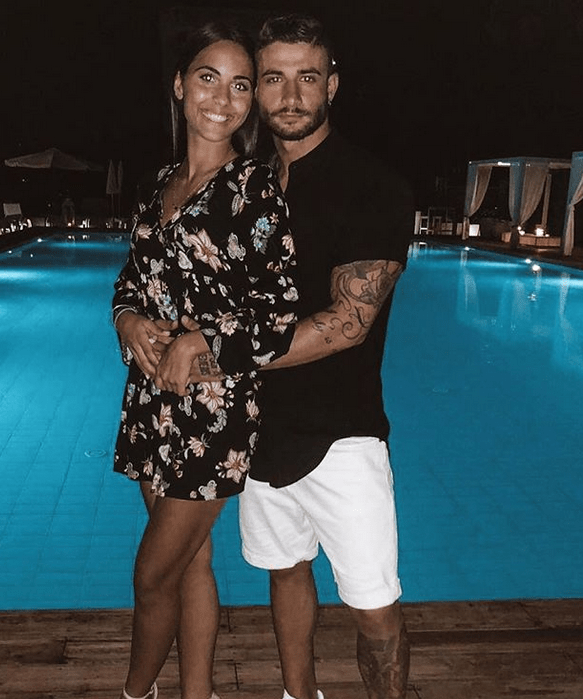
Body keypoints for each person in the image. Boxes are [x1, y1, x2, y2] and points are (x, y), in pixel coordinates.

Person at [184, 13, 415, 699]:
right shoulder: (244, 185)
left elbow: (347, 323)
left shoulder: (373, 186)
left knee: (373, 603)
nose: (289, 96)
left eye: (306, 78)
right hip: (258, 430)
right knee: (284, 571)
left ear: (331, 85)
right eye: (273, 78)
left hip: (343, 434)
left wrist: (215, 357)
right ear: (255, 89)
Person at [111, 22, 299, 699]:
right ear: (179, 85)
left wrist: (202, 341)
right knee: (189, 564)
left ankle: (134, 692)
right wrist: (126, 318)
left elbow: (279, 315)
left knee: (152, 574)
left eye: (240, 85)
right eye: (208, 78)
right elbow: (131, 280)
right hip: (150, 401)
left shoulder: (253, 190)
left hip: (212, 415)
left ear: (249, 103)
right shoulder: (159, 184)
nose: (222, 98)